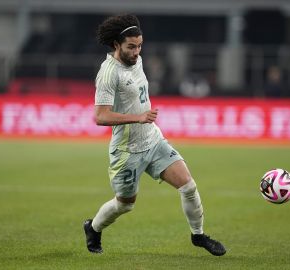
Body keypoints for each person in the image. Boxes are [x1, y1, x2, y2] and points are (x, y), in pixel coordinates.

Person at [83, 14, 226, 256]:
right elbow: (101, 116)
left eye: (140, 45)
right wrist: (138, 117)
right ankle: (93, 227)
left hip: (153, 140)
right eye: (131, 46)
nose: (137, 51)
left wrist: (143, 119)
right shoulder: (108, 73)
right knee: (124, 205)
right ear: (116, 45)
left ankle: (198, 236)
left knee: (188, 186)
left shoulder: (135, 60)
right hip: (127, 151)